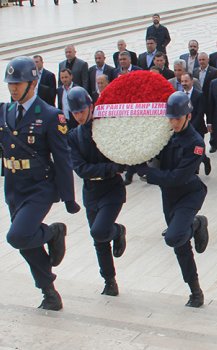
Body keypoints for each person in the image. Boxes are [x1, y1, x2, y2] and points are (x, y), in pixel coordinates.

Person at [1, 56, 80, 310]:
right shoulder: (5, 112)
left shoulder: (49, 115)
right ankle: (49, 292)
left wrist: (68, 197)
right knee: (26, 243)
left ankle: (53, 232)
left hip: (39, 187)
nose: (13, 88)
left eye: (18, 83)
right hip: (14, 187)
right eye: (10, 83)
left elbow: (62, 158)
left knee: (18, 235)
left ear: (33, 83)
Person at [134, 91, 209, 307]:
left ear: (187, 116)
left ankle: (196, 224)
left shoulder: (196, 143)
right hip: (169, 196)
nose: (173, 122)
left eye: (177, 118)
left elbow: (178, 177)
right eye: (171, 118)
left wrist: (148, 174)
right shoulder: (165, 135)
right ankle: (195, 291)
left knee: (173, 237)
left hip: (189, 193)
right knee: (180, 245)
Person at [66, 87, 127, 296]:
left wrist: (111, 168)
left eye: (81, 111)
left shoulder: (106, 128)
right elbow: (80, 168)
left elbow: (120, 160)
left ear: (91, 107)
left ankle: (117, 231)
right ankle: (109, 280)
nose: (78, 116)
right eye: (75, 113)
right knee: (98, 240)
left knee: (99, 231)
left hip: (112, 191)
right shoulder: (74, 136)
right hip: (92, 191)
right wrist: (108, 169)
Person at [181, 72, 210, 176]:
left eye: (186, 81)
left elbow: (200, 113)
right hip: (183, 129)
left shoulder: (199, 95)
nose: (184, 83)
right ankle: (194, 170)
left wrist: (191, 127)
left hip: (197, 128)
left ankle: (204, 161)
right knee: (189, 150)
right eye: (182, 81)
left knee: (198, 150)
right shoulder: (179, 95)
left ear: (192, 81)